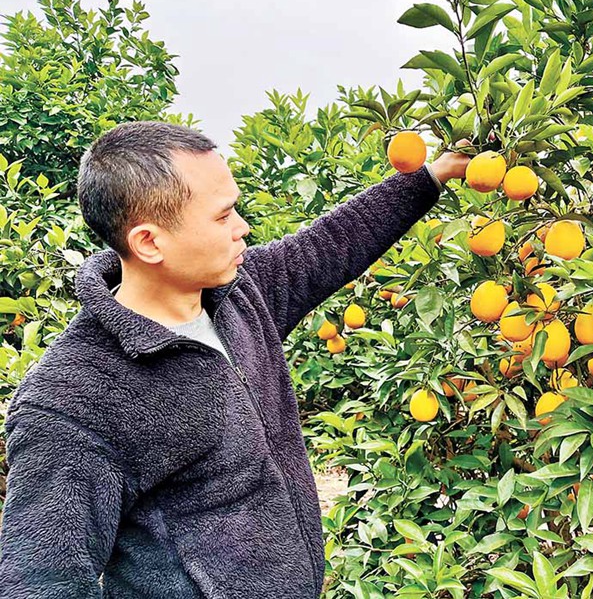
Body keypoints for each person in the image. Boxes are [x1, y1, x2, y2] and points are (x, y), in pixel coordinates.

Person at [0, 121, 470, 598]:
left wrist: (434, 173)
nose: (241, 227)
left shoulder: (238, 295)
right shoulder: (73, 399)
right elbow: (42, 581)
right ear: (149, 242)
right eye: (223, 216)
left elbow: (335, 242)